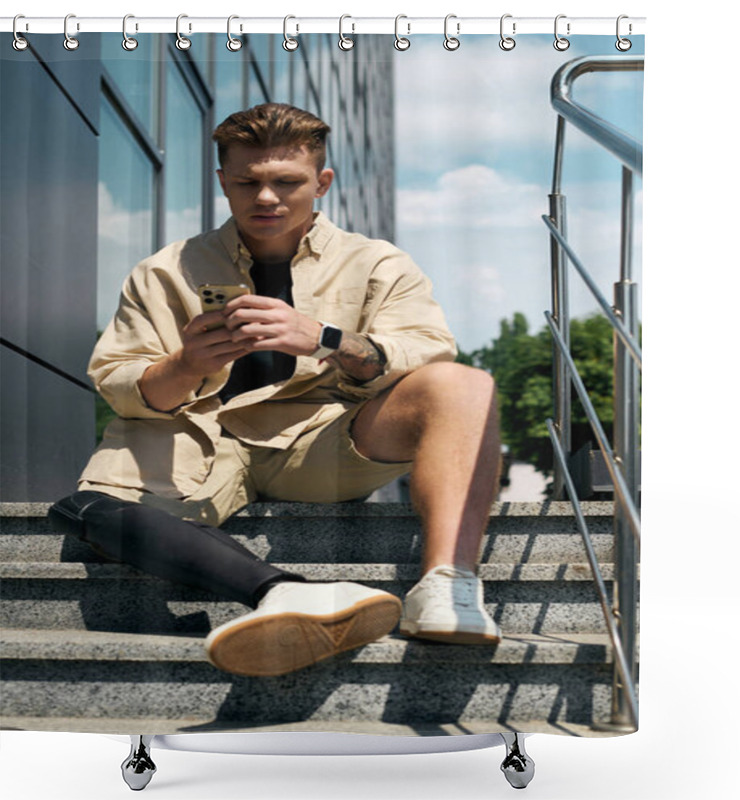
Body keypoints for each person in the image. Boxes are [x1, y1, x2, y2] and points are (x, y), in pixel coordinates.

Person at [49, 103, 502, 679]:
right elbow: (121, 384)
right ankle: (285, 591)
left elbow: (425, 351)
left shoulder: (378, 263)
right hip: (195, 437)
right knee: (84, 508)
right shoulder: (164, 271)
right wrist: (187, 364)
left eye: (286, 181)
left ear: (321, 182)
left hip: (323, 442)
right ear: (223, 183)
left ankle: (447, 586)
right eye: (248, 182)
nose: (266, 198)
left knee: (464, 385)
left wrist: (326, 338)